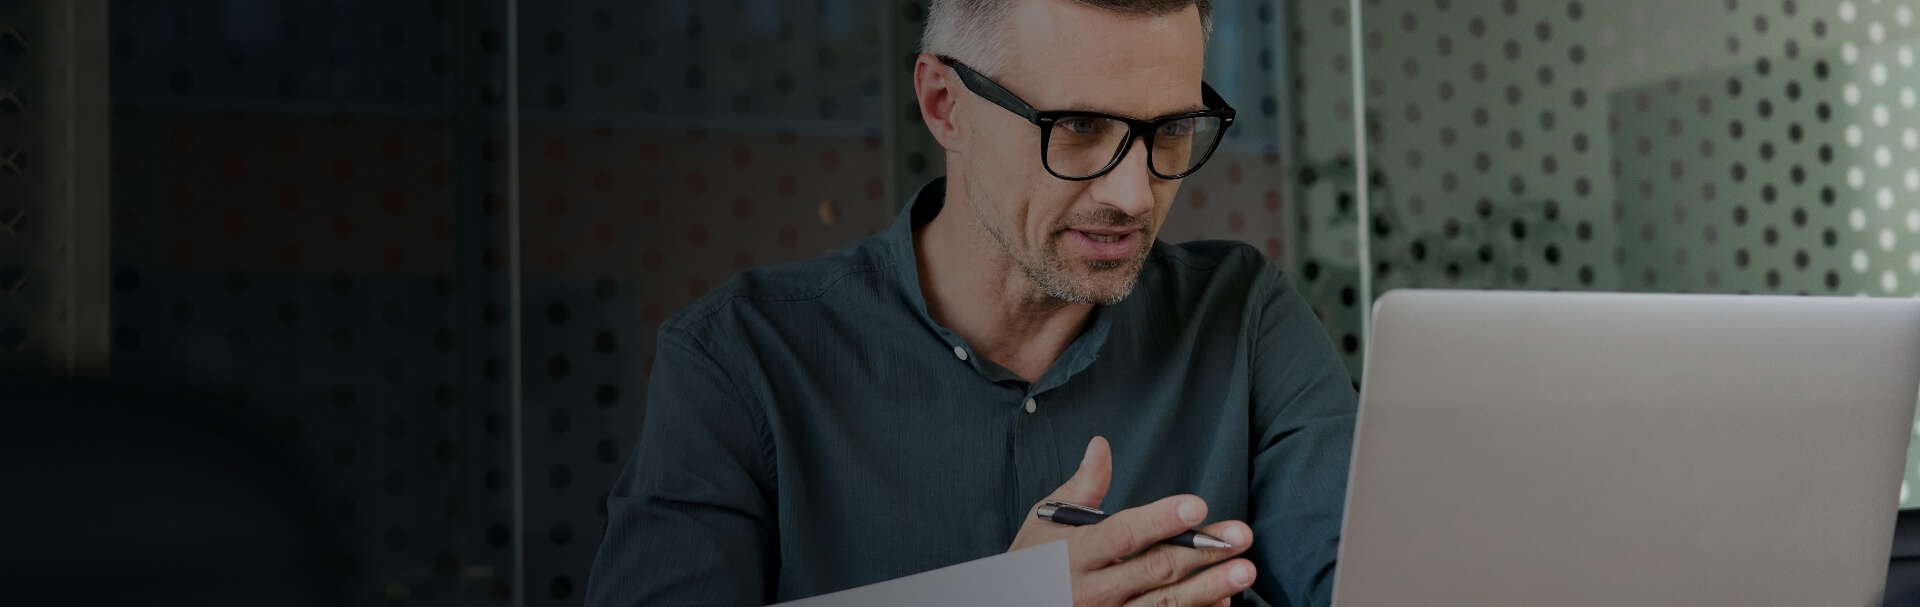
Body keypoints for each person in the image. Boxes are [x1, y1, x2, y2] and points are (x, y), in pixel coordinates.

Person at [583, 1, 1356, 605]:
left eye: (1174, 130)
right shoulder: (739, 360)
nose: (1133, 194)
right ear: (945, 105)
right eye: (1079, 128)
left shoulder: (1243, 317)